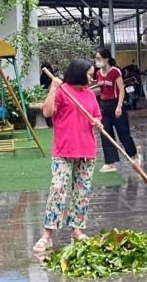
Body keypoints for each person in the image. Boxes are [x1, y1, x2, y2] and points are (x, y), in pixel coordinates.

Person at [35, 58, 102, 257]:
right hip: (64, 151)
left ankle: (76, 230)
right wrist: (53, 88)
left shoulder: (90, 94)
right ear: (79, 73)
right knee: (58, 190)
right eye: (89, 74)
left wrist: (97, 122)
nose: (92, 78)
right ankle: (47, 235)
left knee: (82, 192)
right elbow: (47, 112)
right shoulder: (62, 91)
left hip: (87, 150)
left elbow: (96, 115)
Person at [92, 49, 139, 173]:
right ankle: (110, 162)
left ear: (106, 59)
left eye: (99, 58)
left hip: (116, 104)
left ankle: (134, 155)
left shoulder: (115, 71)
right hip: (104, 105)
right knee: (106, 133)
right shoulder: (98, 73)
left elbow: (121, 90)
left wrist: (119, 107)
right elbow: (100, 90)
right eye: (96, 59)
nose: (97, 61)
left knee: (123, 133)